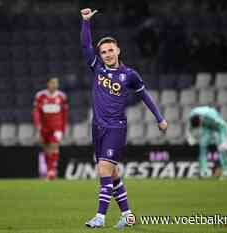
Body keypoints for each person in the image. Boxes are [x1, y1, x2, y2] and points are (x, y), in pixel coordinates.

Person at [80, 8, 168, 228]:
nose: (107, 54)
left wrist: (160, 118)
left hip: (115, 128)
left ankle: (100, 217)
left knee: (103, 170)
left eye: (110, 50)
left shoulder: (130, 75)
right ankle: (128, 216)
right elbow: (85, 46)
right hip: (97, 127)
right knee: (114, 173)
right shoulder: (98, 68)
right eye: (104, 52)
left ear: (118, 50)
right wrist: (86, 23)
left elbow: (145, 96)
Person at [33, 77, 68, 180]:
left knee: (54, 146)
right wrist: (38, 126)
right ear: (48, 84)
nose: (55, 85)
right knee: (46, 149)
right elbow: (36, 112)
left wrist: (63, 129)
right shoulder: (40, 96)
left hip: (57, 127)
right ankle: (49, 171)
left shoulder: (61, 96)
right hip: (44, 128)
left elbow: (64, 114)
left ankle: (52, 170)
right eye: (53, 83)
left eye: (56, 83)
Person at [186, 106, 227, 179]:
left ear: (200, 119)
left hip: (218, 128)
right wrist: (190, 137)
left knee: (222, 148)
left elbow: (225, 126)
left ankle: (225, 171)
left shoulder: (211, 115)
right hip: (206, 127)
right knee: (202, 147)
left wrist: (226, 141)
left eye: (199, 125)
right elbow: (189, 128)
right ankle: (204, 172)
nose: (199, 126)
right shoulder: (192, 116)